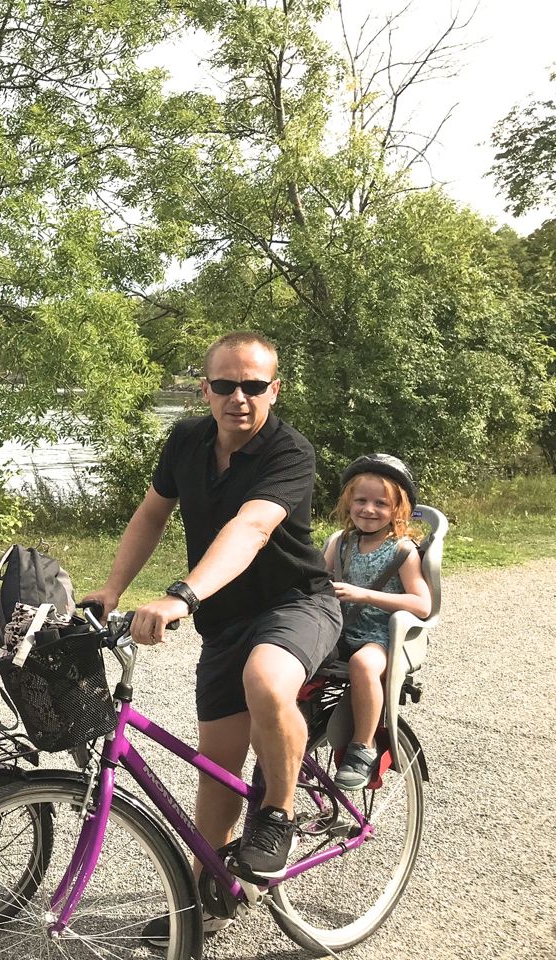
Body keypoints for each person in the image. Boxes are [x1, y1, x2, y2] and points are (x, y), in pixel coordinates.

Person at [81, 331, 342, 942]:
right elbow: (152, 513)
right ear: (205, 390)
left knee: (266, 679)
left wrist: (182, 595)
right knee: (217, 774)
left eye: (253, 385)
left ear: (274, 390)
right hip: (224, 622)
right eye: (225, 384)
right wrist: (114, 589)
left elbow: (251, 529)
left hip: (295, 604)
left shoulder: (289, 451)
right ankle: (209, 902)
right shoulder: (186, 440)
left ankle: (277, 813)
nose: (238, 397)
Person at [323, 454, 432, 790]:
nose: (368, 509)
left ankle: (363, 745)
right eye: (361, 500)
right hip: (339, 631)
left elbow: (422, 604)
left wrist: (365, 595)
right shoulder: (340, 543)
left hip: (381, 636)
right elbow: (317, 581)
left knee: (363, 664)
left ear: (398, 509)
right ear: (349, 502)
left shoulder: (401, 551)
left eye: (380, 503)